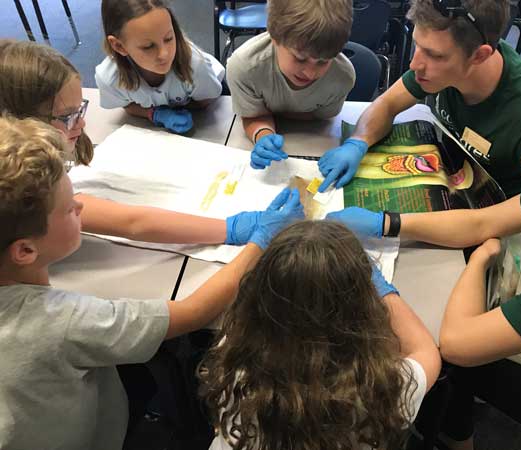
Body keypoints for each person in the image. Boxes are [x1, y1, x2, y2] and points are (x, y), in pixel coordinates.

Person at [327, 67, 521, 448]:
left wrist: (478, 262)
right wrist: (388, 223)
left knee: (452, 366)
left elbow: (458, 342)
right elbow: (481, 220)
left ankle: (455, 435)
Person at [0, 113, 304, 449]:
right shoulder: (63, 321)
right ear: (25, 250)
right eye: (70, 209)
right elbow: (193, 312)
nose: (81, 205)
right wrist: (261, 242)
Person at [200, 220, 441, 450]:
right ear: (363, 309)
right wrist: (384, 290)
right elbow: (426, 352)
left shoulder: (233, 366)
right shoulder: (383, 387)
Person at [0, 39, 258, 248]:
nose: (81, 124)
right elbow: (134, 223)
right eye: (68, 116)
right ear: (20, 121)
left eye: (80, 110)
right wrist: (229, 228)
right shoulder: (23, 186)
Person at [318, 0, 521, 198]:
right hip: (451, 183)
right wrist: (358, 141)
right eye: (418, 45)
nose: (414, 64)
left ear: (480, 55)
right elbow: (387, 104)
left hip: (497, 215)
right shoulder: (443, 68)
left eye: (434, 55)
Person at [226, 0, 355, 170]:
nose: (310, 73)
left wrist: (268, 115)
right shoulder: (244, 67)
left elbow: (322, 118)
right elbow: (252, 117)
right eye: (300, 58)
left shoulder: (342, 78)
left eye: (323, 62)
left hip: (315, 139)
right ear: (274, 36)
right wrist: (263, 134)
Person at [95, 0, 224, 134]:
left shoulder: (195, 66)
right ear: (119, 46)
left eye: (168, 38)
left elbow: (205, 100)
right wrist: (154, 113)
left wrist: (177, 109)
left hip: (208, 96)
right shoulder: (108, 77)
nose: (164, 54)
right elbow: (127, 105)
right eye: (148, 46)